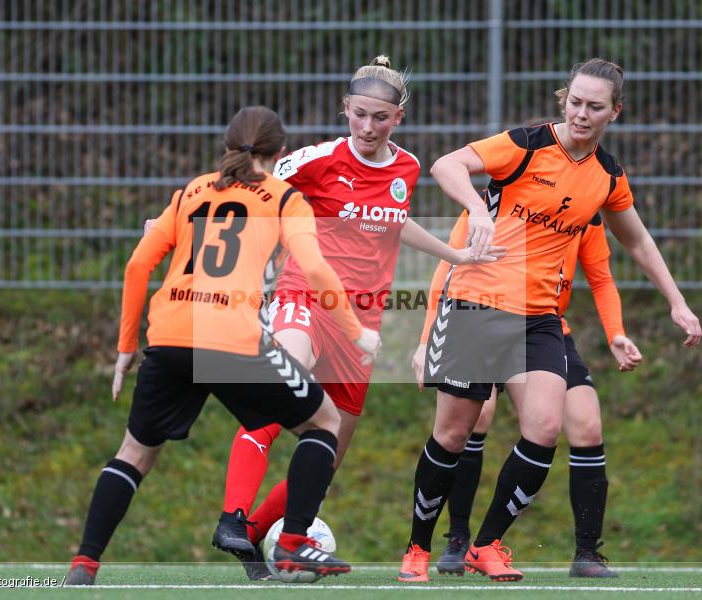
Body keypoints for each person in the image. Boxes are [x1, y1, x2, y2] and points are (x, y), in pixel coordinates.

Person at [397, 58, 702, 583]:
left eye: (595, 107)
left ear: (615, 113)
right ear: (565, 99)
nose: (582, 114)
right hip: (477, 302)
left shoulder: (607, 175)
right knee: (452, 434)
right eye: (575, 102)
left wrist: (676, 301)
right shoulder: (526, 143)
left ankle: (487, 543)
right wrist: (478, 206)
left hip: (538, 318)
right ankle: (418, 549)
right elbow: (445, 165)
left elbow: (637, 239)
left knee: (544, 427)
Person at [207, 56, 503, 580]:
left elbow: (394, 222)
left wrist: (454, 256)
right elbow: (245, 180)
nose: (368, 127)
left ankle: (260, 535)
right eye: (360, 114)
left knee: (330, 451)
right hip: (305, 293)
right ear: (346, 109)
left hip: (359, 323)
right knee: (282, 392)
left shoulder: (406, 168)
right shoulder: (317, 159)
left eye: (380, 118)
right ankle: (231, 518)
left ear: (399, 117)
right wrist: (191, 218)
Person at [64, 106, 382, 585]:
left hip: (170, 336)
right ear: (280, 153)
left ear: (228, 147)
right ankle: (293, 543)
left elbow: (137, 266)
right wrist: (357, 332)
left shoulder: (192, 191)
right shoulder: (282, 196)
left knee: (134, 453)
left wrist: (126, 345)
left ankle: (84, 564)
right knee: (325, 422)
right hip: (232, 341)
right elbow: (316, 271)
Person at [411, 206, 642, 579]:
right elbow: (447, 269)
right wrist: (426, 341)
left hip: (543, 329)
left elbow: (601, 278)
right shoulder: (491, 207)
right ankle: (457, 539)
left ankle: (585, 553)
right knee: (471, 420)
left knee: (585, 424)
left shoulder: (585, 212)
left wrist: (615, 331)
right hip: (481, 319)